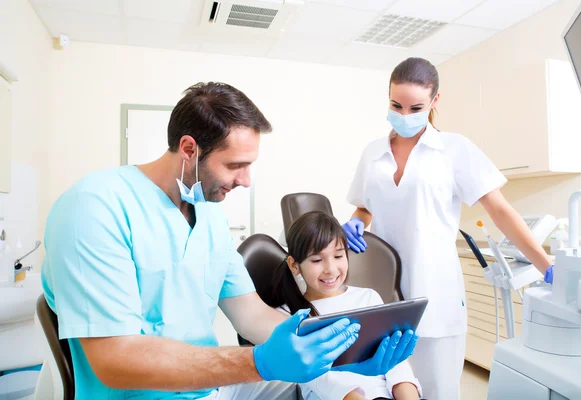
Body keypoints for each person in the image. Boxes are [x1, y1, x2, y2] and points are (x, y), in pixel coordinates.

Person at [41, 82, 417, 399]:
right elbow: (115, 360)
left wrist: (342, 353)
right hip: (146, 392)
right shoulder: (93, 208)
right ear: (189, 150)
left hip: (213, 388)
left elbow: (252, 316)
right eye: (235, 165)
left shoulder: (208, 217)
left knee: (331, 381)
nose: (246, 180)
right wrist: (258, 362)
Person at [342, 58, 553, 400]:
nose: (405, 113)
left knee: (439, 391)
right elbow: (364, 207)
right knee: (386, 388)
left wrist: (546, 266)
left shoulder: (454, 150)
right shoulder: (373, 153)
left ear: (435, 101)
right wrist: (356, 221)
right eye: (396, 105)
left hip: (434, 292)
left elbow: (500, 209)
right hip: (382, 293)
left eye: (416, 107)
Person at [273, 211, 421, 400]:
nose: (331, 269)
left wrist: (408, 395)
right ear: (294, 265)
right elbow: (319, 378)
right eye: (317, 260)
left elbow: (396, 364)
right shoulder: (287, 316)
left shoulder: (368, 298)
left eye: (338, 256)